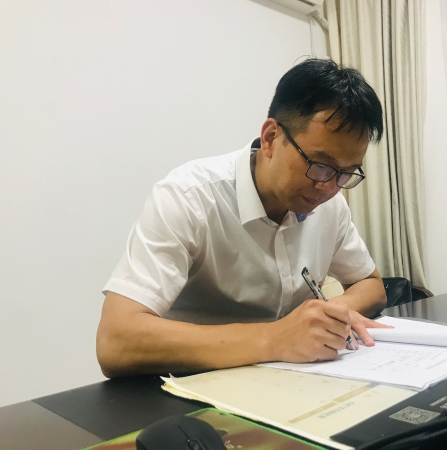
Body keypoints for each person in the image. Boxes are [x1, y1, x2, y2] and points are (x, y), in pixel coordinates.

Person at [96, 58, 390, 378]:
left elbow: (370, 284)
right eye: (319, 165)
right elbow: (116, 341)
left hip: (294, 380)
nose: (330, 187)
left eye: (346, 173)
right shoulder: (189, 197)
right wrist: (275, 338)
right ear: (270, 137)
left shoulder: (329, 205)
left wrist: (334, 314)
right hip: (191, 385)